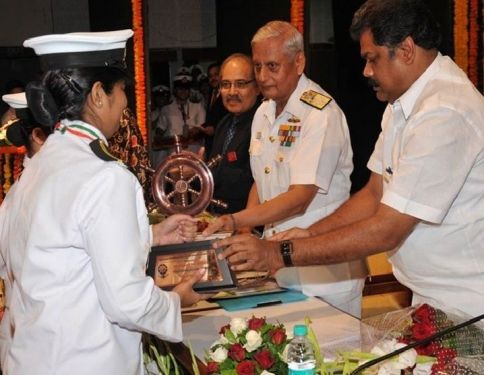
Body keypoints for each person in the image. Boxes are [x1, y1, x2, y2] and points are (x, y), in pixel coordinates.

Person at [213, 0, 484, 318]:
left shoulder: (443, 110)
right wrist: (311, 233)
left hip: (467, 300)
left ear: (407, 50)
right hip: (430, 294)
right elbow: (373, 193)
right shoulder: (402, 105)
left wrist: (278, 252)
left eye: (373, 58)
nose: (367, 71)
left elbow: (388, 229)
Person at [0, 29, 208, 375]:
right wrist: (176, 302)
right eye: (122, 90)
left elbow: (60, 252)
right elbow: (126, 301)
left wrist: (151, 237)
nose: (126, 103)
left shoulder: (36, 170)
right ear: (99, 94)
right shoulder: (105, 175)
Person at [205, 21, 367, 317]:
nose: (263, 77)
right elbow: (261, 181)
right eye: (257, 67)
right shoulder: (264, 112)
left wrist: (233, 219)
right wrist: (246, 231)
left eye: (272, 66)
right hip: (279, 265)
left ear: (299, 62)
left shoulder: (319, 114)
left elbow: (299, 197)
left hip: (324, 270)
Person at [207, 53, 260, 214]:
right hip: (217, 217)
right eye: (225, 84)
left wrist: (205, 171)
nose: (231, 92)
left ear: (257, 87)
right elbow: (216, 165)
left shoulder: (263, 124)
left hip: (248, 220)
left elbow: (252, 180)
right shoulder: (224, 123)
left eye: (240, 84)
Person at [153, 72, 206, 167]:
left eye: (186, 89)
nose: (183, 91)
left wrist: (193, 132)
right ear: (175, 90)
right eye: (180, 88)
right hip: (174, 155)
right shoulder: (166, 109)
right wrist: (159, 138)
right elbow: (159, 130)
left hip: (194, 154)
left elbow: (202, 129)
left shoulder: (198, 107)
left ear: (190, 90)